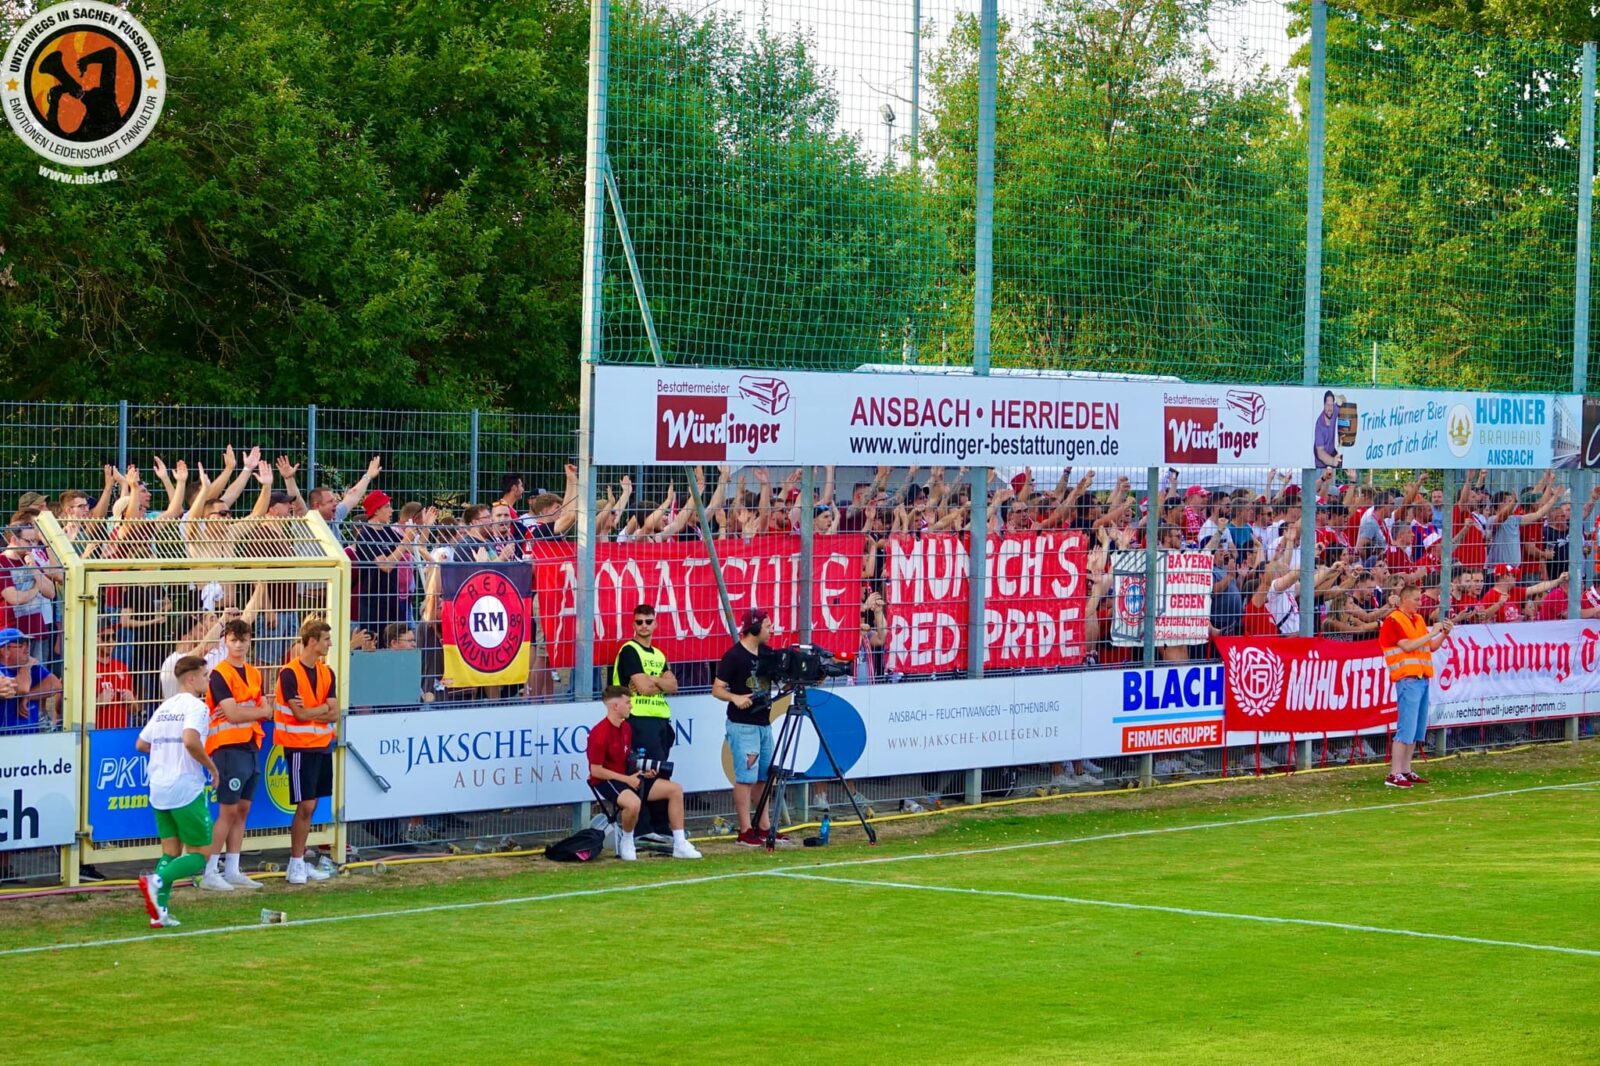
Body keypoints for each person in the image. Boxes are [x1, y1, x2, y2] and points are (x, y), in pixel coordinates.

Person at [135, 656, 219, 929]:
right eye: (205, 675)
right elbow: (191, 741)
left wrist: (166, 753)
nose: (208, 680)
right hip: (185, 786)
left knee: (170, 851)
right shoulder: (197, 707)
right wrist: (212, 768)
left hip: (158, 785)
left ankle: (159, 913)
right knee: (201, 853)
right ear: (192, 679)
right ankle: (155, 881)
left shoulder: (164, 707)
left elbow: (141, 744)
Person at [586, 685, 702, 861]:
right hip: (607, 780)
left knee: (675, 789)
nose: (631, 706)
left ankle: (680, 844)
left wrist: (641, 772)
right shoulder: (599, 733)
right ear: (615, 706)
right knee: (633, 804)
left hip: (628, 776)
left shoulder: (626, 728)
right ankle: (627, 840)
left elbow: (627, 758)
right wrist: (627, 779)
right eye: (627, 702)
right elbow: (596, 770)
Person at [202, 620, 271, 890]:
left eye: (243, 639)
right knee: (228, 811)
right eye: (233, 639)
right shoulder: (220, 674)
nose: (239, 644)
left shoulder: (254, 673)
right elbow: (233, 713)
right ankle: (209, 871)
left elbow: (265, 707)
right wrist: (257, 711)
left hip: (250, 745)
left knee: (243, 809)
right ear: (225, 641)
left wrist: (254, 711)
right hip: (227, 747)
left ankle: (232, 868)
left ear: (249, 640)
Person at [712, 609, 789, 847]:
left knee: (764, 777)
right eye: (767, 625)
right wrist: (735, 698)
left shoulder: (767, 653)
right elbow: (717, 689)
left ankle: (764, 826)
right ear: (754, 628)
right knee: (745, 778)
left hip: (764, 723)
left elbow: (782, 677)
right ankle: (745, 830)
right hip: (743, 725)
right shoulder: (734, 656)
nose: (771, 629)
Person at [274, 619, 340, 885]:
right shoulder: (289, 673)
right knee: (306, 805)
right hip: (299, 747)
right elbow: (299, 714)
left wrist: (315, 712)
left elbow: (334, 711)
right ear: (312, 642)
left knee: (312, 805)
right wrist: (320, 710)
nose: (329, 644)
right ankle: (296, 863)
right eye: (326, 639)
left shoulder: (327, 673)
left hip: (321, 746)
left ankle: (298, 861)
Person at [611, 603, 679, 844]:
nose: (643, 626)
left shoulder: (659, 654)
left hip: (660, 720)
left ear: (655, 623)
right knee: (643, 773)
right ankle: (643, 828)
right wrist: (658, 680)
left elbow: (673, 686)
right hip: (638, 719)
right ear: (633, 624)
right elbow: (642, 687)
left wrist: (655, 681)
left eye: (648, 621)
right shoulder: (629, 650)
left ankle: (661, 827)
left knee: (661, 775)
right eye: (639, 622)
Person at [1378, 584, 1452, 789]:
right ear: (1405, 600)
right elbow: (1408, 646)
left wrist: (1443, 633)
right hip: (1407, 679)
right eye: (1417, 599)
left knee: (1417, 729)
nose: (1420, 603)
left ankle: (1405, 770)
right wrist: (1432, 633)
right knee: (1405, 728)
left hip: (1421, 679)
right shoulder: (1393, 620)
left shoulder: (1417, 620)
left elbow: (1431, 647)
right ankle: (1394, 773)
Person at [1314, 391, 1342, 469]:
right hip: (1321, 462)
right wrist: (1333, 461)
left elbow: (1343, 401)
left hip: (1332, 452)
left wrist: (1339, 397)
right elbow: (1320, 453)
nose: (1330, 408)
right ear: (1324, 405)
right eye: (1327, 405)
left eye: (1331, 405)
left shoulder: (1334, 410)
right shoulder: (1319, 425)